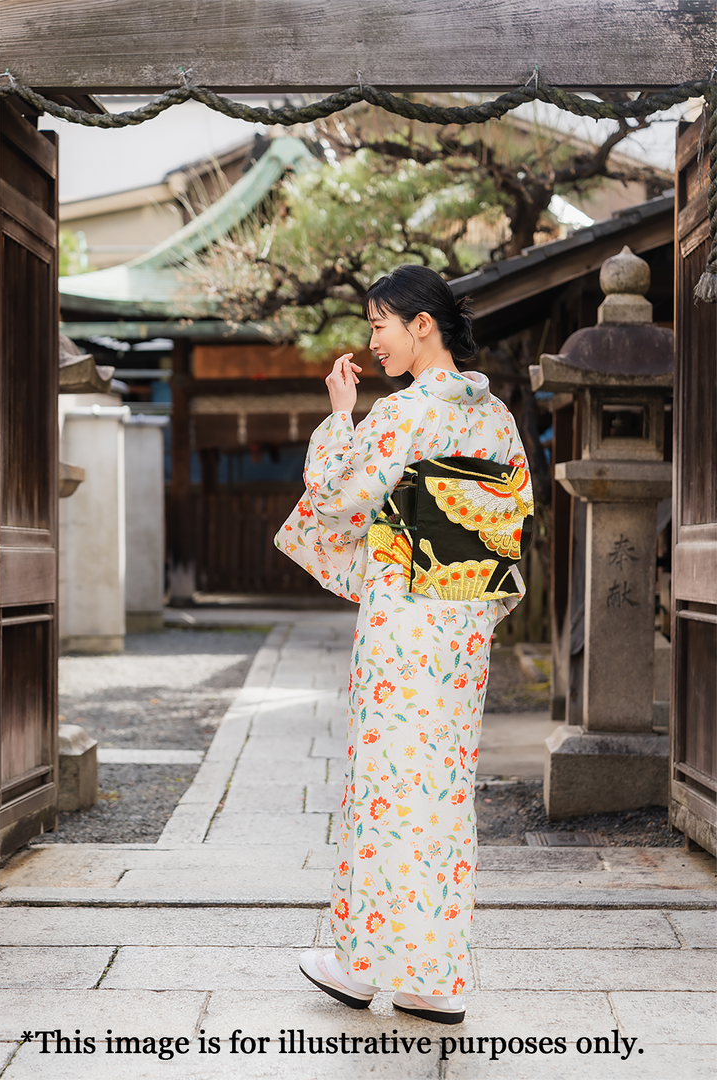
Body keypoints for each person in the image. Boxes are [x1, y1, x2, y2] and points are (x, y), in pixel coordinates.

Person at [275, 263, 532, 1024]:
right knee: (443, 798)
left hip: (403, 627)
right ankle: (434, 979)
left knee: (385, 793)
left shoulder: (405, 413)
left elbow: (335, 497)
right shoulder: (497, 419)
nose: (373, 339)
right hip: (460, 630)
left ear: (423, 325)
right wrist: (469, 611)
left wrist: (339, 413)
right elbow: (509, 534)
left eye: (381, 323)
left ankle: (362, 965)